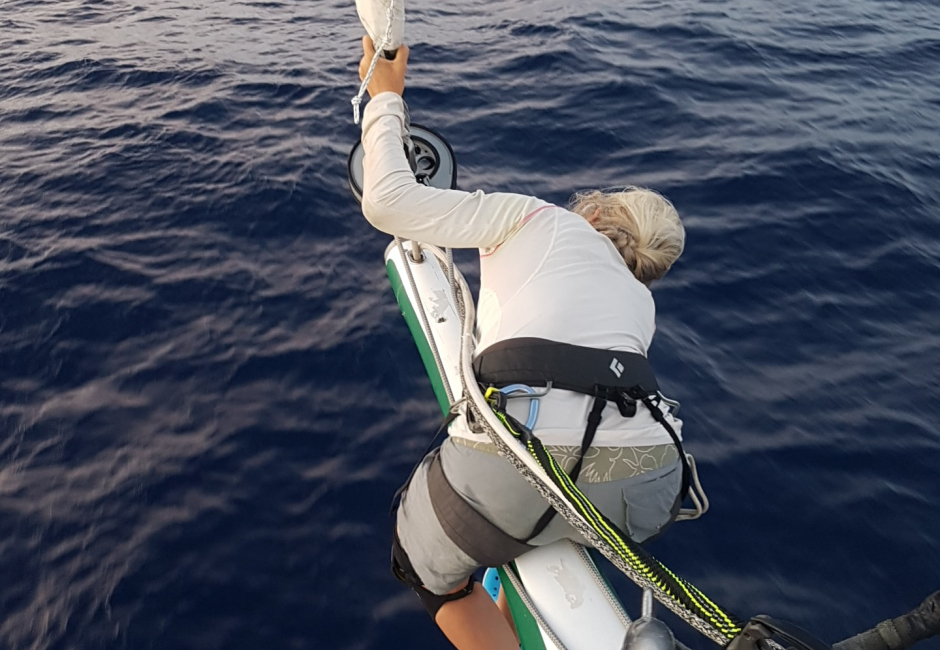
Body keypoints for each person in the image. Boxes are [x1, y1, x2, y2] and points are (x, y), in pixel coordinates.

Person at [357, 37, 688, 650]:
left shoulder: (539, 218)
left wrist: (384, 98)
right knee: (550, 516)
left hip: (521, 465)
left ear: (597, 213)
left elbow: (387, 200)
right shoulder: (641, 303)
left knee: (422, 568)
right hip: (652, 482)